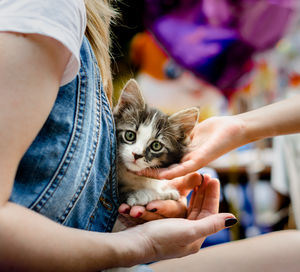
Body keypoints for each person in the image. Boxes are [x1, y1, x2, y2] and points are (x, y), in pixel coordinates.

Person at [0, 0, 236, 271]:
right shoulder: (50, 8)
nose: (137, 152)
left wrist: (139, 214)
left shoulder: (84, 30)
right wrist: (144, 244)